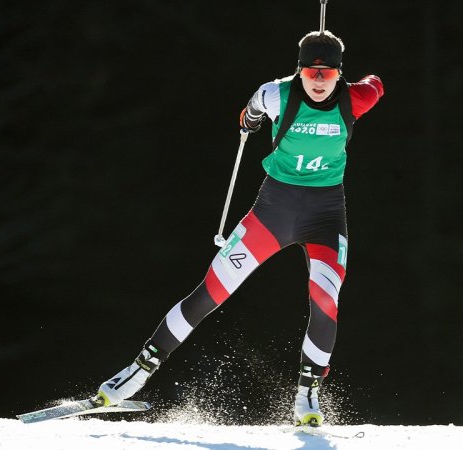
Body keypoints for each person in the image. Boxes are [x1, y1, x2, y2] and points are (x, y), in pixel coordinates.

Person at [95, 30, 383, 427]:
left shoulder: (355, 98)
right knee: (210, 292)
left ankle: (307, 394)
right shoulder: (276, 94)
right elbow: (250, 109)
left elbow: (376, 85)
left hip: (325, 218)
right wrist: (250, 119)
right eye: (311, 72)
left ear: (338, 74)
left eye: (327, 73)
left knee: (326, 299)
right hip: (272, 213)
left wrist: (364, 82)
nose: (318, 80)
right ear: (298, 72)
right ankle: (138, 370)